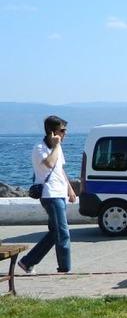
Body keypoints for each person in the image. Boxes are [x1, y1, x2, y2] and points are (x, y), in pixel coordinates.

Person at [18, 115, 77, 274]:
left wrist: (70, 189)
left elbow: (59, 169)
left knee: (55, 233)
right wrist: (56, 146)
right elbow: (49, 163)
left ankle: (27, 262)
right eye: (62, 130)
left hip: (60, 193)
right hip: (49, 194)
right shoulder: (40, 148)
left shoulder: (57, 148)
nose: (65, 134)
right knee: (63, 232)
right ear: (53, 132)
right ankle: (65, 268)